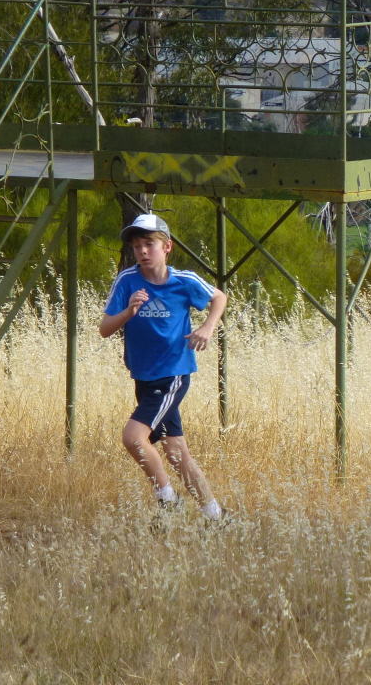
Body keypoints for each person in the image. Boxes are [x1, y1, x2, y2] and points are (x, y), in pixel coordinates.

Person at [99, 214, 228, 521]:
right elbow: (105, 328)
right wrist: (129, 311)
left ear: (167, 247)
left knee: (132, 437)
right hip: (143, 376)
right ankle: (216, 516)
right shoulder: (127, 280)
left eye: (149, 244)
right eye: (137, 246)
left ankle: (168, 501)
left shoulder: (183, 281)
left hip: (172, 374)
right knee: (176, 452)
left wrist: (208, 327)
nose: (142, 251)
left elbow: (219, 297)